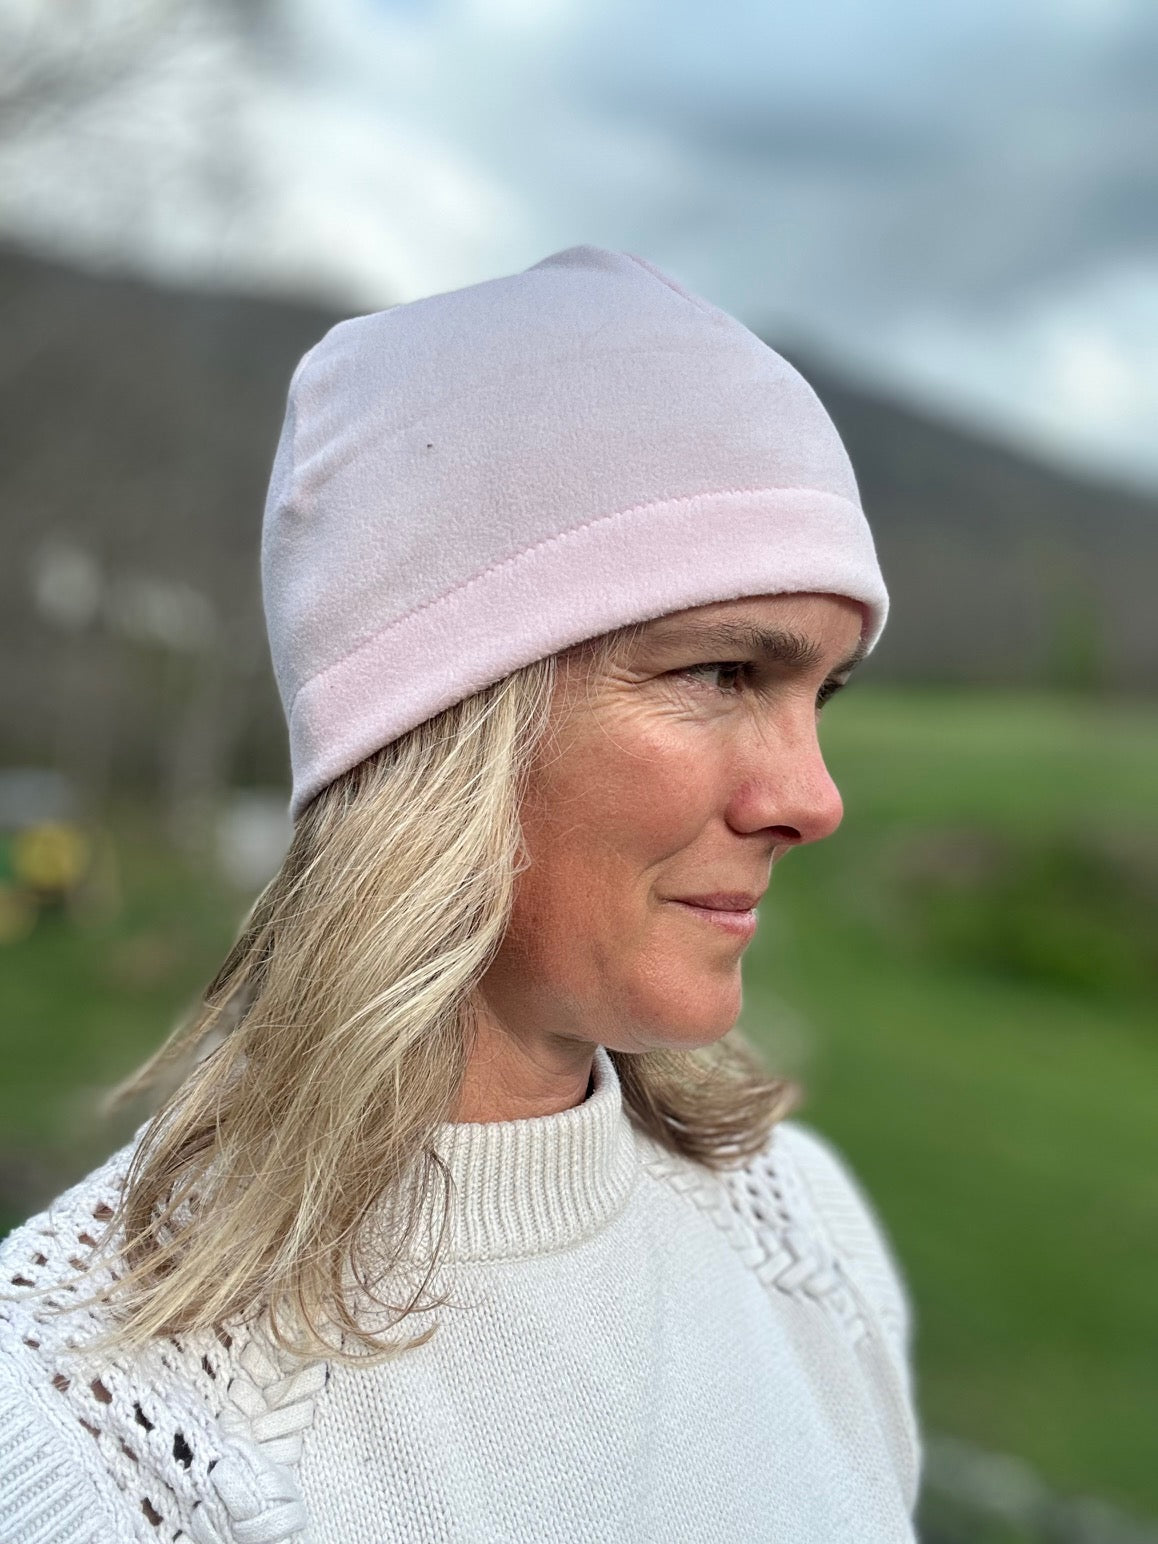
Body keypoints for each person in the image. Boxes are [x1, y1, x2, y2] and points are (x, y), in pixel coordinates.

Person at [0, 244, 921, 1542]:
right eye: (720, 673)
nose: (811, 799)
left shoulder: (805, 1232)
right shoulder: (95, 1449)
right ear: (435, 736)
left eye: (818, 692)